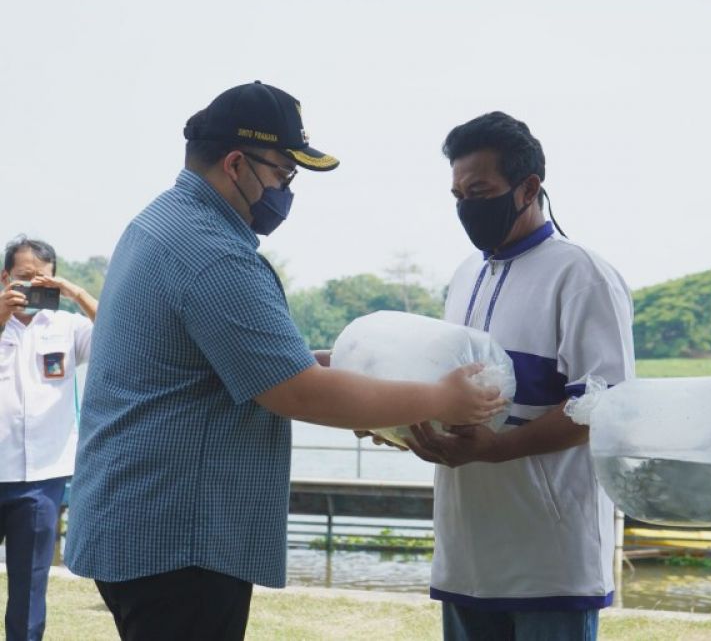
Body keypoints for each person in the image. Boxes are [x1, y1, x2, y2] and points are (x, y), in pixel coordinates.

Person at [63, 81, 506, 641]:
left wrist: (350, 369)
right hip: (181, 538)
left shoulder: (159, 224)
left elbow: (242, 361)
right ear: (235, 164)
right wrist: (442, 398)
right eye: (283, 174)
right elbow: (298, 391)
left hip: (134, 521)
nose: (286, 191)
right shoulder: (214, 253)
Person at [403, 112, 635, 641]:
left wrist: (498, 449)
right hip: (465, 555)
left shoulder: (582, 275)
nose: (467, 207)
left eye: (480, 192)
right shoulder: (466, 274)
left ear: (529, 188)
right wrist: (405, 426)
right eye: (458, 195)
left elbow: (604, 405)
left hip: (550, 561)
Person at [0, 236, 99, 641]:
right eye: (24, 278)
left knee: (30, 587)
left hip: (42, 477)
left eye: (42, 279)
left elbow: (120, 332)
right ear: (5, 278)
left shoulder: (65, 327)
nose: (32, 287)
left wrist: (75, 293)